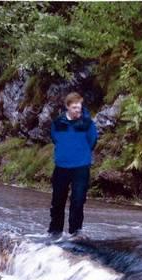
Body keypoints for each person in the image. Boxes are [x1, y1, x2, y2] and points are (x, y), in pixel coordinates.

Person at [48, 92, 98, 239]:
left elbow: (92, 141)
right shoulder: (57, 123)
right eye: (74, 107)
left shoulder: (88, 123)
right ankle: (55, 232)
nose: (78, 110)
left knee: (78, 200)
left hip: (81, 166)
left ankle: (75, 233)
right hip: (61, 166)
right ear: (67, 107)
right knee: (57, 201)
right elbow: (55, 138)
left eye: (79, 107)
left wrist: (81, 153)